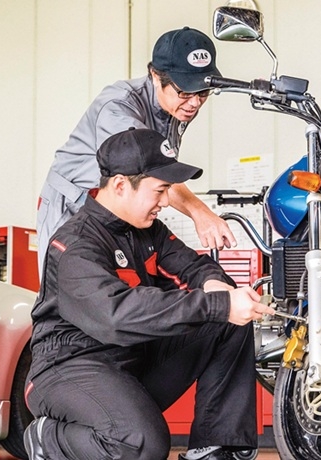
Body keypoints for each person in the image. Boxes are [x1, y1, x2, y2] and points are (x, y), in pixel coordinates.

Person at [23, 128, 275, 460]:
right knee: (140, 445)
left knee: (228, 320)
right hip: (70, 366)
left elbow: (194, 266)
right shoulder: (75, 245)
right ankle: (48, 438)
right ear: (120, 185)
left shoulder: (148, 231)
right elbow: (116, 316)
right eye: (160, 190)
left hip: (132, 358)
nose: (166, 201)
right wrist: (217, 304)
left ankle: (215, 449)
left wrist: (217, 286)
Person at [36, 26, 237, 275]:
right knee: (68, 283)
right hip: (73, 202)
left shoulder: (176, 107)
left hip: (118, 209)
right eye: (185, 91)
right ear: (155, 76)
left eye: (203, 92)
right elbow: (151, 171)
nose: (195, 102)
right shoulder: (117, 107)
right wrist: (200, 212)